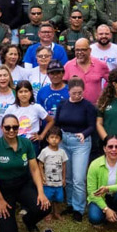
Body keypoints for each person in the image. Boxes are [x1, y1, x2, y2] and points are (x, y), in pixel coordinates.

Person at [0, 114, 50, 232]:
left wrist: (41, 193)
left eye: (15, 127)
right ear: (1, 127)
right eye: (7, 127)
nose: (11, 130)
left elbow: (34, 169)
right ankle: (8, 217)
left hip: (22, 184)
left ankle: (28, 220)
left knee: (44, 207)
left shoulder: (26, 143)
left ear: (18, 128)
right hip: (3, 188)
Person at [41, 78, 95, 221]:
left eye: (80, 93)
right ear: (68, 91)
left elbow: (92, 125)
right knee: (68, 176)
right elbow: (57, 123)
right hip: (64, 141)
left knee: (78, 177)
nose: (77, 96)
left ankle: (79, 208)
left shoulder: (88, 106)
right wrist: (54, 139)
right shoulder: (63, 104)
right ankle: (70, 203)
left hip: (80, 143)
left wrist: (84, 134)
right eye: (74, 93)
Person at [64, 38, 110, 104]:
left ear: (90, 50)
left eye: (83, 50)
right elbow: (62, 85)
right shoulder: (68, 66)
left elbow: (111, 82)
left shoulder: (100, 65)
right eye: (77, 50)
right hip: (75, 107)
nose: (80, 52)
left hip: (95, 107)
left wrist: (104, 95)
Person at [37, 128, 67, 220]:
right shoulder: (44, 151)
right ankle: (47, 213)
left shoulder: (62, 152)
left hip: (58, 182)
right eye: (52, 137)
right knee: (48, 198)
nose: (54, 139)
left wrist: (64, 178)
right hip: (47, 182)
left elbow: (64, 166)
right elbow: (40, 165)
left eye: (57, 137)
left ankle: (56, 213)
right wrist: (42, 177)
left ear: (60, 140)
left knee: (58, 199)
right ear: (47, 139)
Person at [9, 80, 52, 146]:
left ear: (31, 93)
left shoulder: (36, 107)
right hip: (15, 141)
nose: (23, 94)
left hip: (32, 142)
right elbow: (4, 124)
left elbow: (51, 121)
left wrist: (41, 136)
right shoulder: (11, 109)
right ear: (17, 94)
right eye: (20, 92)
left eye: (26, 91)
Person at [0, 66, 17, 140]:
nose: (3, 78)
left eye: (5, 75)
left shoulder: (16, 93)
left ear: (9, 77)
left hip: (14, 134)